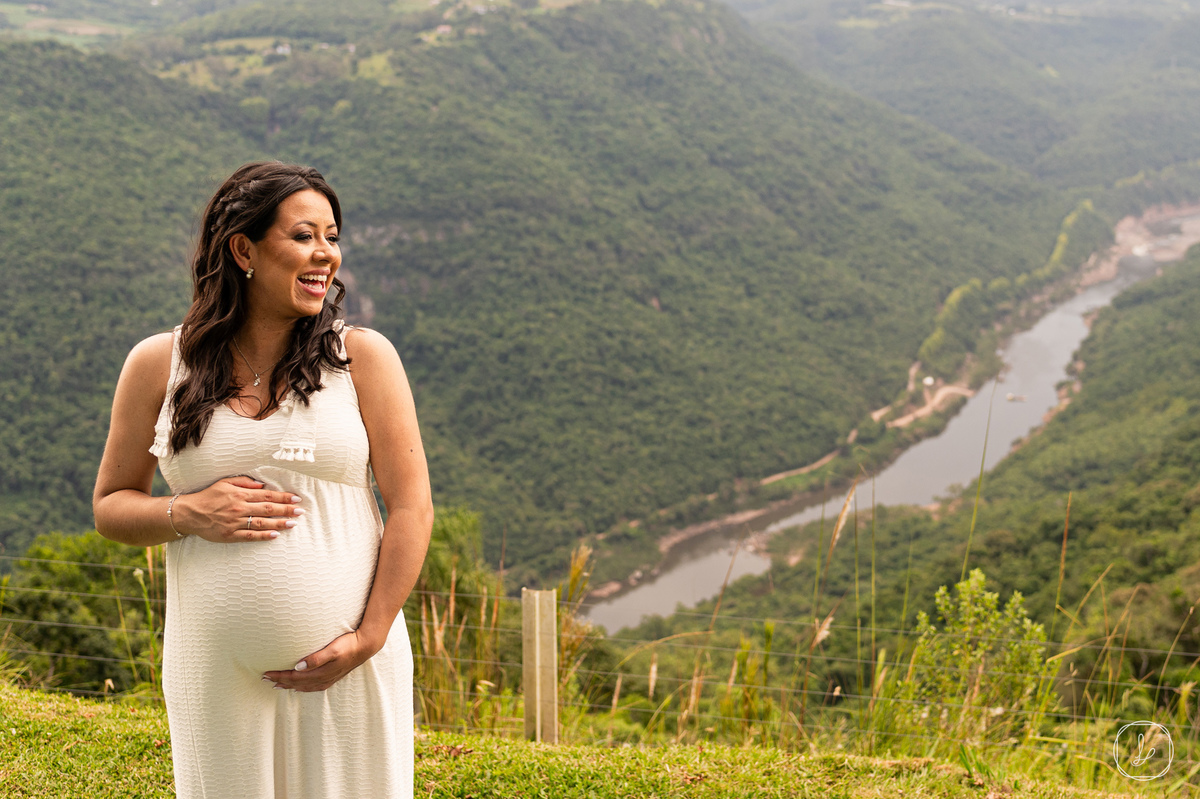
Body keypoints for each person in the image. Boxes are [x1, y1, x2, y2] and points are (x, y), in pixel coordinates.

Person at [93, 161, 433, 798]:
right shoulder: (158, 364)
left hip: (348, 668)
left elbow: (412, 506)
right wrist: (186, 513)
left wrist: (370, 637)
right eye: (303, 236)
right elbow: (111, 506)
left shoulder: (362, 357)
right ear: (243, 250)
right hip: (213, 671)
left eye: (332, 237)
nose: (326, 254)